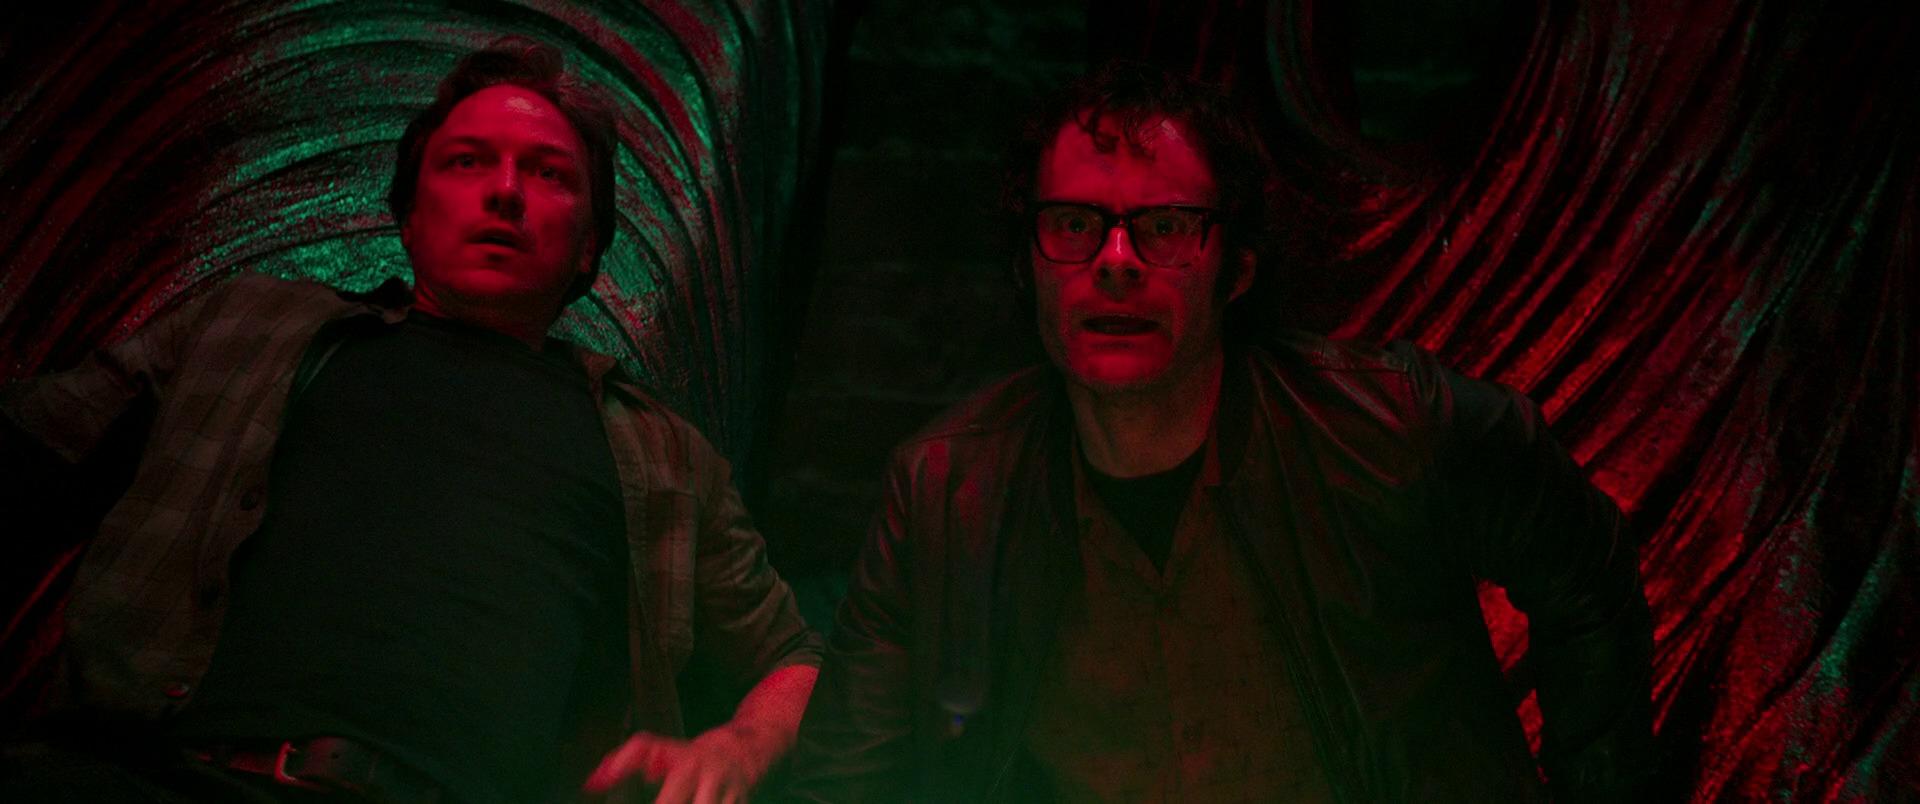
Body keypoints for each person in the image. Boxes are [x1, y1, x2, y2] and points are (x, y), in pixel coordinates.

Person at [786, 61, 1654, 802]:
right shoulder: (946, 493)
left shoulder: (1392, 428)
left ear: (1236, 267)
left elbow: (1588, 569)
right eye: (1075, 225)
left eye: (1165, 227)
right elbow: (845, 777)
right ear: (1029, 264)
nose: (1115, 263)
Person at [0, 37, 819, 804]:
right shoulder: (244, 327)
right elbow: (30, 449)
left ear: (587, 246)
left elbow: (796, 661)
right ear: (409, 216)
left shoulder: (663, 451)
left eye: (548, 173)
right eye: (468, 162)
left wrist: (741, 747)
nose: (505, 191)